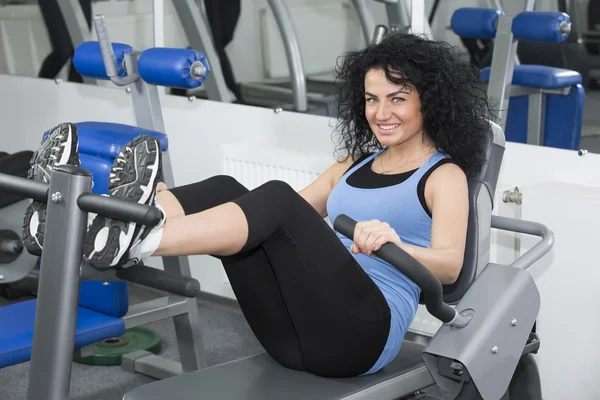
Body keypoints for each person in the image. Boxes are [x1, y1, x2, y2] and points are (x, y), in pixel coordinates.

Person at [22, 33, 491, 378]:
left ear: (429, 102)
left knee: (275, 199)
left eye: (397, 98)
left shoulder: (443, 175)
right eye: (371, 99)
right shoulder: (351, 165)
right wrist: (174, 201)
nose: (380, 112)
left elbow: (450, 268)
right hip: (291, 335)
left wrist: (393, 243)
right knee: (232, 190)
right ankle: (121, 218)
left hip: (362, 335)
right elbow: (272, 222)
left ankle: (137, 235)